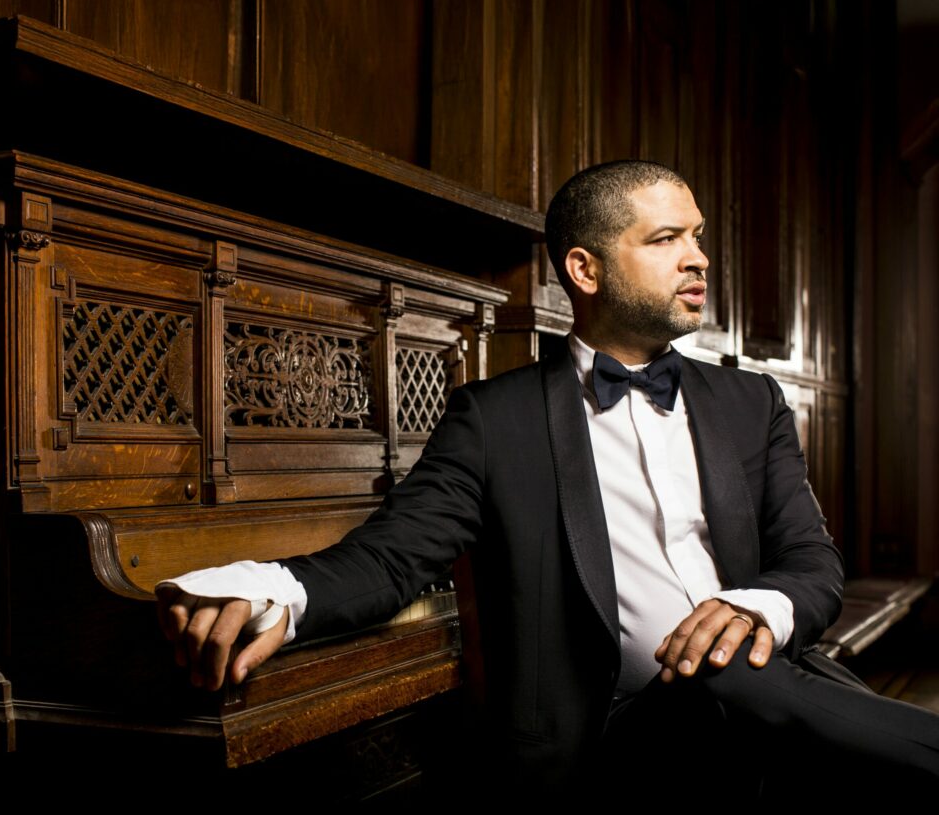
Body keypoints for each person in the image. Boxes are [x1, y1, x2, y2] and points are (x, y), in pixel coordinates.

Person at [157, 161, 939, 795]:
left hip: (765, 694)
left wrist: (752, 607)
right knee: (753, 694)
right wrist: (276, 590)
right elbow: (393, 556)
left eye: (697, 235)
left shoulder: (750, 401)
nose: (698, 257)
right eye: (666, 238)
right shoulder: (495, 420)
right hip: (617, 737)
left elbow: (812, 564)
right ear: (584, 268)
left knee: (748, 679)